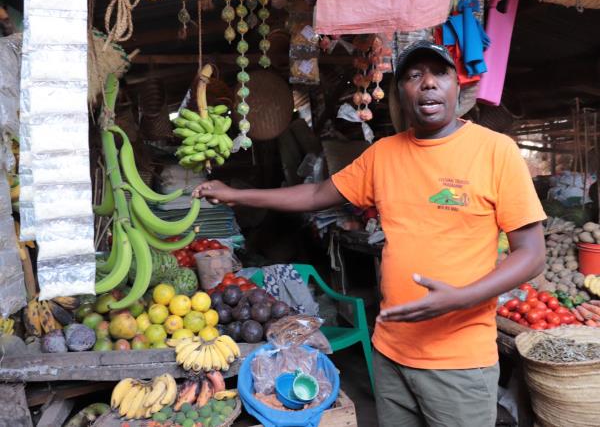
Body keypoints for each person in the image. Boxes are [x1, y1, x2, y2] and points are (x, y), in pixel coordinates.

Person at [193, 40, 546, 427]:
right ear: (400, 93)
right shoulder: (383, 154)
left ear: (457, 86)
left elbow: (531, 253)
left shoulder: (495, 151)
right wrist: (236, 195)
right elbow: (315, 193)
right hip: (390, 353)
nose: (427, 83)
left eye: (439, 73)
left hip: (459, 362)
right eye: (414, 76)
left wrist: (460, 298)